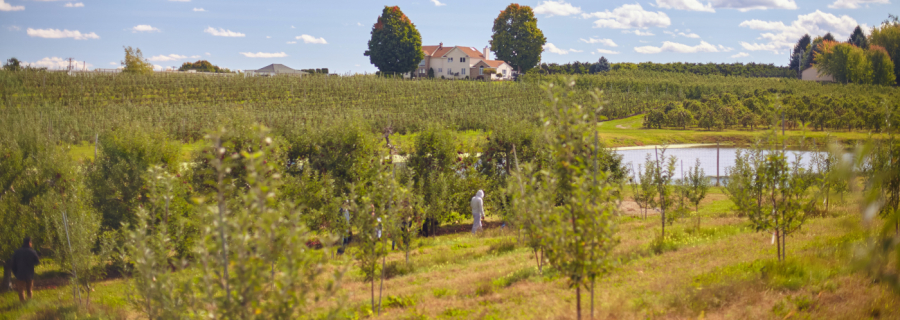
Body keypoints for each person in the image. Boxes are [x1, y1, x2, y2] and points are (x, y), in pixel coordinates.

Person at [10, 237, 40, 302]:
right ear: (29, 243)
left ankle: (22, 304)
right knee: (29, 290)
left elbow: (13, 264)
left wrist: (16, 273)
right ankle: (29, 303)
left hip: (20, 274)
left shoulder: (17, 252)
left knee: (21, 291)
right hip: (29, 274)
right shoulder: (32, 251)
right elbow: (37, 262)